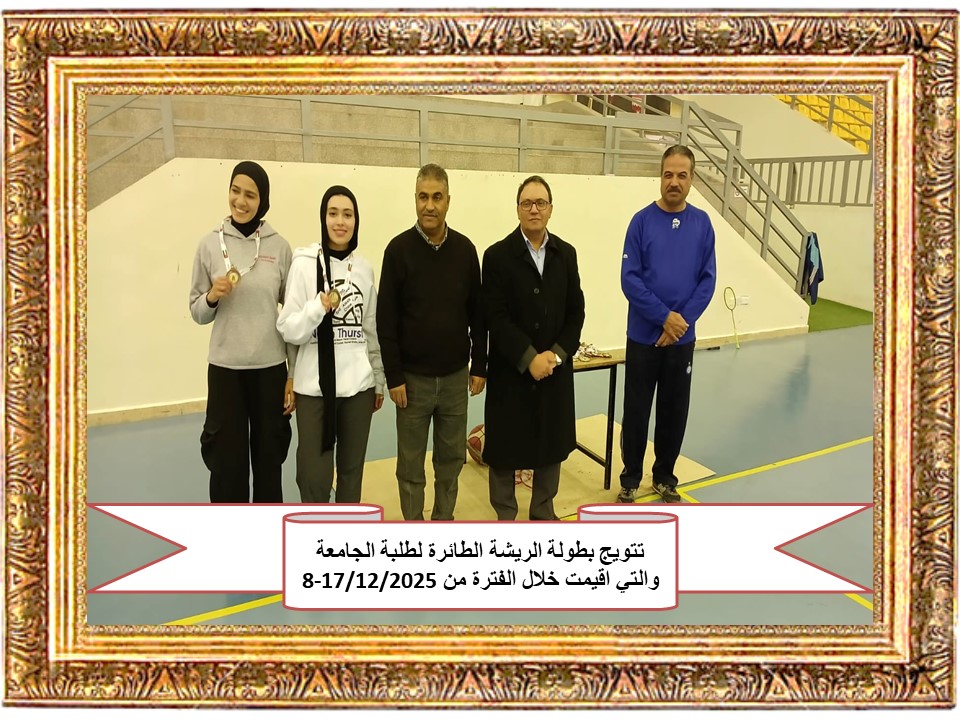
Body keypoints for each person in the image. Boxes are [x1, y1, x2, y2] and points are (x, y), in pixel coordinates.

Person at [377, 164, 486, 521]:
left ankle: (443, 522)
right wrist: (394, 376)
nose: (429, 205)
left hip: (455, 380)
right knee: (410, 465)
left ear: (448, 201)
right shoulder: (398, 251)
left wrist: (479, 366)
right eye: (423, 197)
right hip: (412, 383)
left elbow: (478, 316)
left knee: (451, 461)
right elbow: (385, 320)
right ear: (415, 200)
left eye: (437, 197)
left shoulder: (465, 251)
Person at [189, 161, 296, 503]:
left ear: (262, 201)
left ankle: (267, 529)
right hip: (226, 372)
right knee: (226, 466)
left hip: (269, 371)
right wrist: (211, 296)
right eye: (235, 191)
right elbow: (196, 311)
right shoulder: (209, 244)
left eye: (250, 195)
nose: (241, 201)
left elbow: (292, 317)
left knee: (269, 462)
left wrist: (292, 374)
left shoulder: (280, 247)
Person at [481, 175, 585, 521]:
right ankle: (505, 516)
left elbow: (576, 312)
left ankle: (543, 512)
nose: (534, 209)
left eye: (541, 203)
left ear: (551, 209)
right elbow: (495, 316)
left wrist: (555, 356)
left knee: (549, 446)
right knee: (504, 448)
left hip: (554, 371)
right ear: (517, 210)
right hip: (511, 372)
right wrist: (529, 358)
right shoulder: (496, 256)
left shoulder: (566, 255)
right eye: (527, 203)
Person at [618, 145, 717, 504]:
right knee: (636, 411)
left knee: (674, 412)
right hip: (642, 338)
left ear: (691, 179)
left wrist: (680, 324)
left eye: (681, 175)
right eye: (668, 174)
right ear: (660, 177)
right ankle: (630, 478)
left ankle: (664, 476)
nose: (674, 182)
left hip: (681, 341)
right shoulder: (641, 222)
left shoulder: (702, 225)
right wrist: (664, 318)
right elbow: (630, 279)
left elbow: (707, 281)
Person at [277, 185, 385, 503]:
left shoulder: (364, 269)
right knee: (314, 477)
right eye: (333, 213)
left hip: (358, 390)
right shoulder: (304, 264)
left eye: (348, 215)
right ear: (323, 218)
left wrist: (378, 379)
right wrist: (317, 308)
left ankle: (346, 531)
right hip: (315, 390)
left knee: (351, 475)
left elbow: (371, 329)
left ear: (356, 221)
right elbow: (288, 328)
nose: (340, 222)